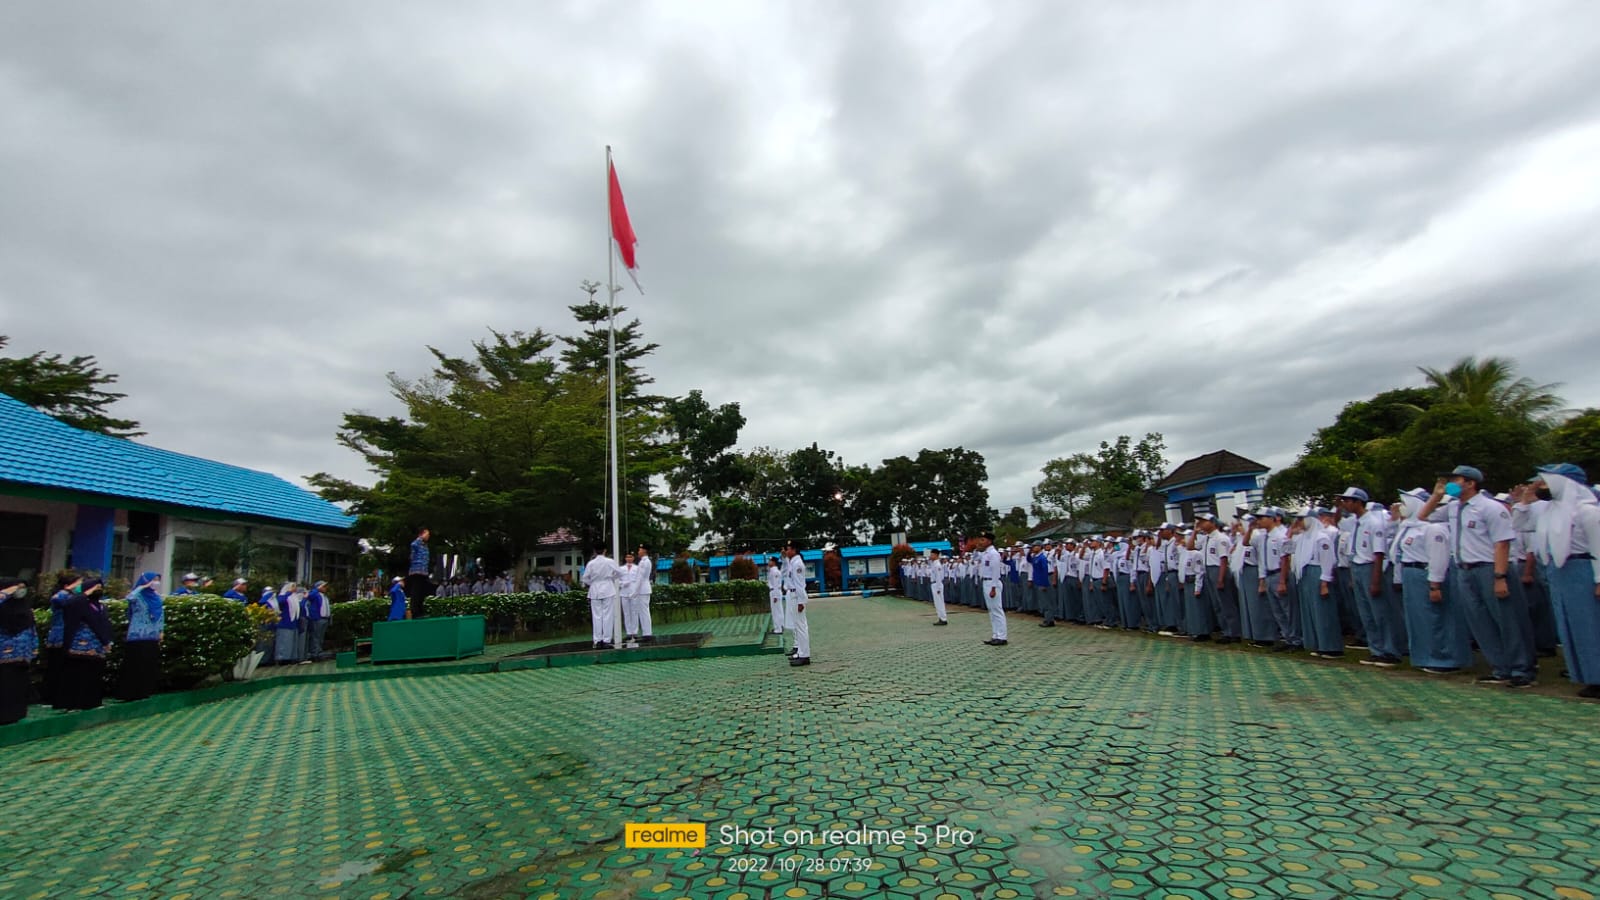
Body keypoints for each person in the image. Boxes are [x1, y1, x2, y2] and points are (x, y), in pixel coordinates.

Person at [1421, 465, 1534, 687]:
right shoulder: (1454, 507)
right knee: (1479, 621)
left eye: (1456, 480)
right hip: (1465, 570)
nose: (1450, 484)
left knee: (1507, 619)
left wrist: (1500, 576)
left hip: (1490, 568)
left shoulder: (1491, 507)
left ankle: (1521, 669)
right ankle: (1500, 668)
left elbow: (1502, 543)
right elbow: (1423, 516)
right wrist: (1436, 495)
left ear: (1471, 483)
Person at [1515, 465, 1600, 699]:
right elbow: (1520, 525)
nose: (1538, 486)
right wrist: (1525, 500)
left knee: (1589, 624)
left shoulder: (1587, 511)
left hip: (1582, 568)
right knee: (1569, 624)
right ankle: (1585, 673)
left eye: (1544, 482)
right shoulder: (1551, 510)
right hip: (1558, 569)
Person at [1392, 488, 1470, 674]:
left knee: (1436, 617)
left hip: (1426, 574)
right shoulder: (1409, 527)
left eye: (1405, 503)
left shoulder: (1433, 528)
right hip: (1412, 574)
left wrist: (1435, 584)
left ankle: (1444, 659)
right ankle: (1425, 656)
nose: (1401, 507)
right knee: (1419, 619)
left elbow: (1438, 557)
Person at [59, 577, 111, 710]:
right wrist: (85, 593)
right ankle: (74, 704)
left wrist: (107, 641)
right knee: (78, 675)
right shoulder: (79, 603)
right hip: (79, 647)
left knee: (93, 675)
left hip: (97, 647)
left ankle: (92, 702)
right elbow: (68, 604)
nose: (98, 590)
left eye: (100, 588)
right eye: (95, 588)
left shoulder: (101, 606)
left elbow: (105, 624)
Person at [117, 572, 164, 700]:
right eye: (153, 580)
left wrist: (160, 631)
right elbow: (129, 597)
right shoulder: (138, 596)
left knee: (148, 665)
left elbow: (160, 615)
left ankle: (145, 691)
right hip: (137, 635)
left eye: (157, 580)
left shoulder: (156, 597)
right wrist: (142, 587)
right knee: (135, 665)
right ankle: (130, 693)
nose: (155, 583)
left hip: (152, 636)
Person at [0, 578, 38, 724]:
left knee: (17, 687)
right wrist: (4, 594)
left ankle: (15, 714)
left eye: (23, 588)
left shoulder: (25, 608)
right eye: (16, 588)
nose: (19, 591)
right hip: (3, 655)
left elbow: (32, 629)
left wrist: (34, 648)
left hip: (22, 656)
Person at [44, 573, 82, 708]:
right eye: (77, 584)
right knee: (56, 667)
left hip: (70, 635)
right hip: (59, 636)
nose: (79, 587)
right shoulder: (61, 596)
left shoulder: (74, 597)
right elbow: (57, 600)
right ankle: (50, 696)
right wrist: (67, 590)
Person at [581, 547, 620, 650]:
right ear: (605, 550)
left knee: (597, 616)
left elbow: (585, 578)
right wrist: (611, 578)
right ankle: (606, 640)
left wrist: (593, 583)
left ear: (594, 551)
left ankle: (597, 640)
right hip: (608, 588)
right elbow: (619, 572)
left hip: (595, 590)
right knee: (608, 615)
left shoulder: (591, 563)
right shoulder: (610, 561)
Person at [973, 530, 1007, 645]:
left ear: (989, 541)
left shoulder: (994, 554)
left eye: (983, 540)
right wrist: (977, 548)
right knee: (992, 611)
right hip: (986, 582)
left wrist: (993, 588)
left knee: (997, 610)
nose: (981, 542)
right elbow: (975, 558)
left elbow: (996, 572)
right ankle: (995, 634)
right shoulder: (985, 553)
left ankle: (1002, 636)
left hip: (993, 583)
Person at [782, 540, 811, 665]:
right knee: (798, 626)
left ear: (794, 550)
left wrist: (801, 601)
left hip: (796, 596)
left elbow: (800, 585)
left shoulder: (797, 564)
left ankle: (805, 655)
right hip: (793, 595)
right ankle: (800, 652)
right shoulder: (792, 562)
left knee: (801, 627)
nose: (787, 551)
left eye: (788, 549)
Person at [406, 527, 434, 619]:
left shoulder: (425, 546)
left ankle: (420, 611)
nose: (428, 536)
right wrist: (421, 537)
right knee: (416, 592)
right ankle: (415, 612)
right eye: (427, 534)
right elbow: (413, 545)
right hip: (416, 571)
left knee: (422, 592)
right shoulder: (416, 543)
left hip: (424, 571)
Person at [304, 581, 331, 662]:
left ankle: (319, 652)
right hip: (317, 618)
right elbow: (309, 596)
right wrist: (316, 589)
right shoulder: (315, 594)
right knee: (316, 637)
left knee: (320, 637)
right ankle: (315, 654)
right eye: (323, 587)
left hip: (324, 619)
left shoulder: (324, 596)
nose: (325, 588)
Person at [619, 552, 642, 642]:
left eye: (630, 557)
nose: (629, 558)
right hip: (624, 591)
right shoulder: (621, 569)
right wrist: (622, 584)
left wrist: (636, 591)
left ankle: (635, 632)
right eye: (627, 557)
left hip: (634, 591)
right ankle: (628, 632)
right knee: (626, 613)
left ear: (633, 558)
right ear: (625, 558)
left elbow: (639, 580)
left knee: (634, 612)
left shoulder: (637, 568)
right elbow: (617, 580)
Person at [635, 543, 655, 643]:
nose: (638, 552)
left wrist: (635, 590)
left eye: (640, 550)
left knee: (644, 612)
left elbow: (640, 578)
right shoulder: (644, 561)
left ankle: (647, 633)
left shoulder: (644, 562)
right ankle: (646, 632)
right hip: (643, 588)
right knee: (643, 612)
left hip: (642, 589)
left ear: (644, 551)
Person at [928, 548, 949, 625]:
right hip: (934, 584)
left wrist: (939, 588)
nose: (930, 556)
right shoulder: (933, 563)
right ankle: (940, 617)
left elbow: (939, 577)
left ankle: (943, 618)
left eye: (932, 554)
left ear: (936, 555)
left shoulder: (937, 565)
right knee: (937, 603)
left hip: (937, 585)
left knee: (940, 602)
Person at [766, 556, 785, 635]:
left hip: (775, 591)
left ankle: (778, 629)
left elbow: (776, 584)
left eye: (770, 561)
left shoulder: (774, 572)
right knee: (778, 610)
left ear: (773, 562)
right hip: (775, 591)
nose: (768, 562)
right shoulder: (772, 571)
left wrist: (775, 596)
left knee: (776, 611)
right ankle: (780, 626)